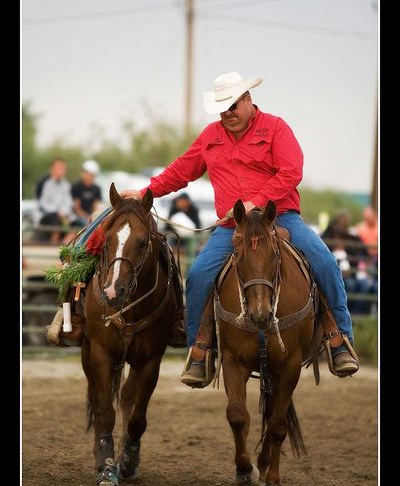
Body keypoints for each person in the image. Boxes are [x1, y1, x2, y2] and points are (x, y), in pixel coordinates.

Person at [119, 71, 359, 381]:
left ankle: (339, 339)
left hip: (281, 216)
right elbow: (181, 171)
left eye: (233, 106)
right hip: (233, 227)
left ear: (247, 100)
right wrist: (144, 192)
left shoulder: (275, 128)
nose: (228, 114)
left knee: (325, 262)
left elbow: (291, 172)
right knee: (199, 274)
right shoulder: (210, 136)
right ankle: (199, 350)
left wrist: (256, 201)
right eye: (222, 108)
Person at [322, 211, 372, 315]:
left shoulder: (351, 238)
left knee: (365, 285)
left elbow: (364, 251)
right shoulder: (327, 238)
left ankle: (358, 315)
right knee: (350, 284)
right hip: (337, 274)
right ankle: (346, 314)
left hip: (352, 273)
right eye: (342, 222)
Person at [36, 158, 78, 244]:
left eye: (63, 169)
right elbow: (43, 204)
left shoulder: (66, 185)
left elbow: (68, 202)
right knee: (56, 225)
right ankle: (53, 248)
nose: (61, 171)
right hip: (48, 215)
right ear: (52, 169)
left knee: (78, 226)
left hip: (64, 215)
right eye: (58, 168)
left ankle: (64, 248)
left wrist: (64, 212)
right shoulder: (45, 183)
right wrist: (58, 212)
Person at [71, 160, 102, 227]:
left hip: (90, 216)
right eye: (86, 173)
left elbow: (95, 206)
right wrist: (88, 218)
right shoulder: (76, 187)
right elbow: (76, 208)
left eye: (90, 174)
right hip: (76, 217)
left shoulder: (97, 189)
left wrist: (92, 217)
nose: (88, 176)